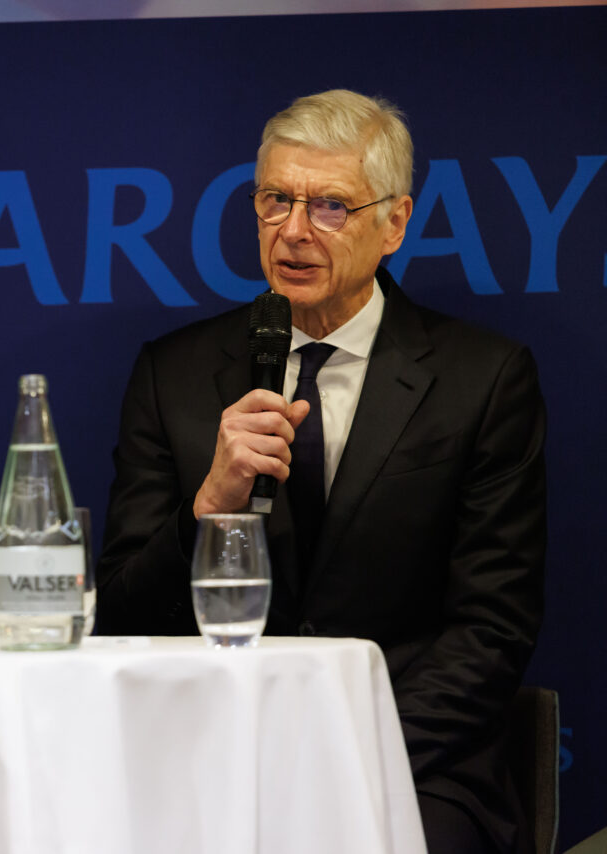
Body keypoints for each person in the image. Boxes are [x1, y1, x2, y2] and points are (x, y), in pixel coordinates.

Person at [96, 90, 545, 854]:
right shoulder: (173, 376)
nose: (294, 232)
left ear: (394, 222)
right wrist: (207, 507)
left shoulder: (483, 379)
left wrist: (347, 758)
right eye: (276, 200)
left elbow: (491, 631)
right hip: (211, 756)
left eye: (330, 206)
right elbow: (123, 618)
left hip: (413, 764)